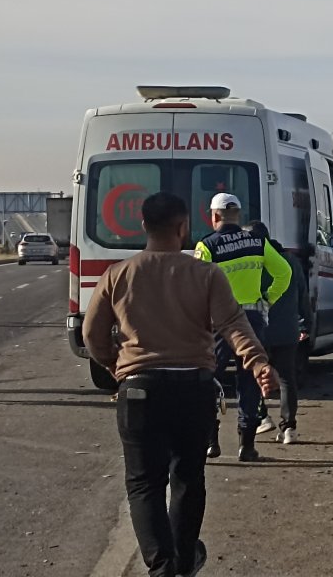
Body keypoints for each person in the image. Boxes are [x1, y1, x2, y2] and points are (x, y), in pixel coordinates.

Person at [83, 192, 278, 577]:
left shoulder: (118, 275)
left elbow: (92, 334)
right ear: (183, 227)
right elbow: (234, 323)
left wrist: (115, 367)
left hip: (139, 390)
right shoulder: (205, 274)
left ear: (143, 226)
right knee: (188, 477)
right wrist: (257, 362)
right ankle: (184, 561)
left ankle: (162, 566)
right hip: (193, 389)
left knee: (144, 484)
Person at [195, 193, 290, 462]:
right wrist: (268, 299)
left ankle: (210, 441)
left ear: (214, 216)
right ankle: (246, 445)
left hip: (218, 323)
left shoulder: (207, 246)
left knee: (209, 378)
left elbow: (196, 285)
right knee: (250, 379)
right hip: (252, 318)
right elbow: (284, 273)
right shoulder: (258, 241)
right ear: (238, 215)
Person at [246, 222, 312, 444]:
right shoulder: (290, 261)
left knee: (254, 374)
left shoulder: (251, 263)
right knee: (287, 378)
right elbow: (303, 296)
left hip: (258, 330)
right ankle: (289, 427)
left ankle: (262, 416)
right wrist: (306, 325)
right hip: (287, 329)